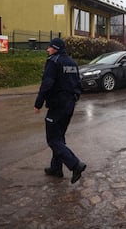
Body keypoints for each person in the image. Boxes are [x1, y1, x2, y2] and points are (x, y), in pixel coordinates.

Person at [34, 37, 86, 184]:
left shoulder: (53, 61)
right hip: (69, 106)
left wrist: (38, 104)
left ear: (55, 48)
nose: (47, 49)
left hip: (57, 106)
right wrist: (75, 98)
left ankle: (75, 165)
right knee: (59, 137)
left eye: (49, 47)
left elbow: (47, 84)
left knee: (53, 139)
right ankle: (56, 168)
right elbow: (78, 84)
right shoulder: (72, 62)